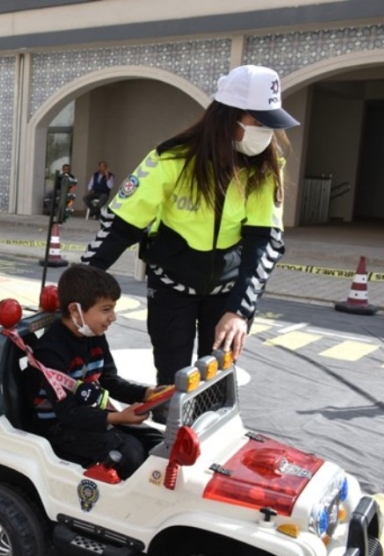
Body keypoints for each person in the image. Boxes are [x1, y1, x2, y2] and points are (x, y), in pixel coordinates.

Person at [80, 65, 298, 421]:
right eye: (259, 121)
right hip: (171, 286)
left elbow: (265, 242)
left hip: (228, 291)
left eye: (270, 123)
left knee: (215, 381)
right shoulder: (170, 159)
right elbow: (119, 227)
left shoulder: (266, 166)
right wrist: (78, 283)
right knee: (172, 382)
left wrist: (240, 310)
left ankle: (206, 453)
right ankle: (170, 458)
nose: (267, 132)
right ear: (228, 116)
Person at [28, 264, 163, 480]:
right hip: (56, 426)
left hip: (87, 415)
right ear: (75, 311)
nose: (113, 317)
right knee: (129, 452)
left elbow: (109, 380)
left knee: (157, 442)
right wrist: (118, 417)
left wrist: (147, 393)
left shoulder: (94, 335)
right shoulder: (50, 351)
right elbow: (67, 412)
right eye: (106, 309)